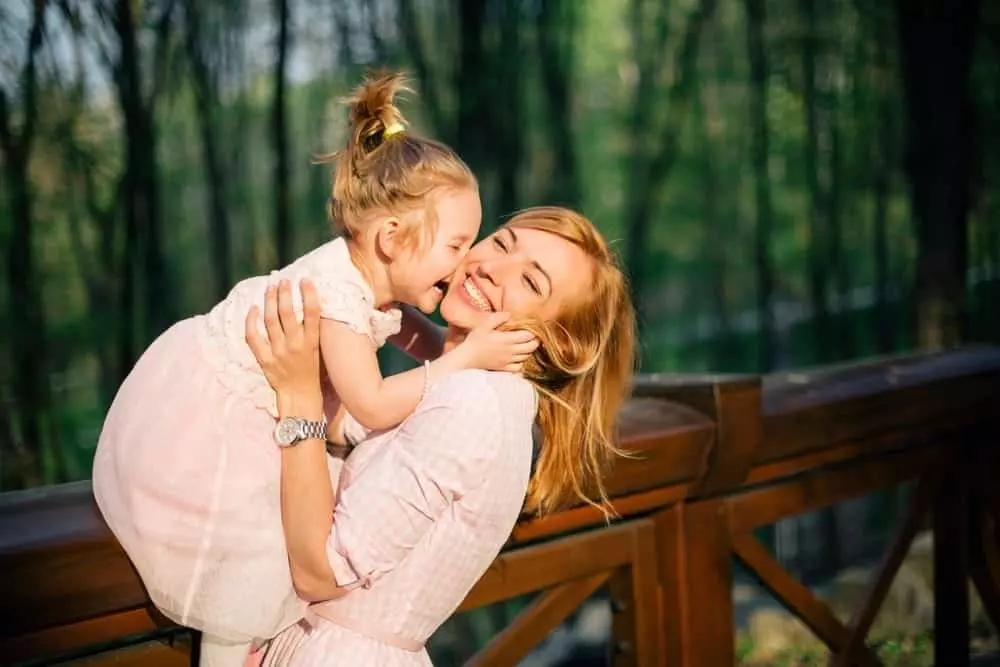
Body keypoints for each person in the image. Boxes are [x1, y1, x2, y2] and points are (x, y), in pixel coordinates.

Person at [91, 72, 536, 667]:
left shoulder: (369, 288)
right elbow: (373, 403)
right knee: (243, 570)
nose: (462, 265)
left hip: (272, 419)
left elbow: (408, 333)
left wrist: (458, 353)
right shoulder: (337, 300)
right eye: (456, 246)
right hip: (223, 426)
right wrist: (465, 358)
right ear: (392, 239)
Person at [243, 206, 637, 665]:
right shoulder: (481, 390)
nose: (491, 268)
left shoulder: (474, 403)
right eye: (503, 243)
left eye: (531, 283)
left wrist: (299, 395)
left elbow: (320, 573)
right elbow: (354, 416)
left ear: (560, 342)